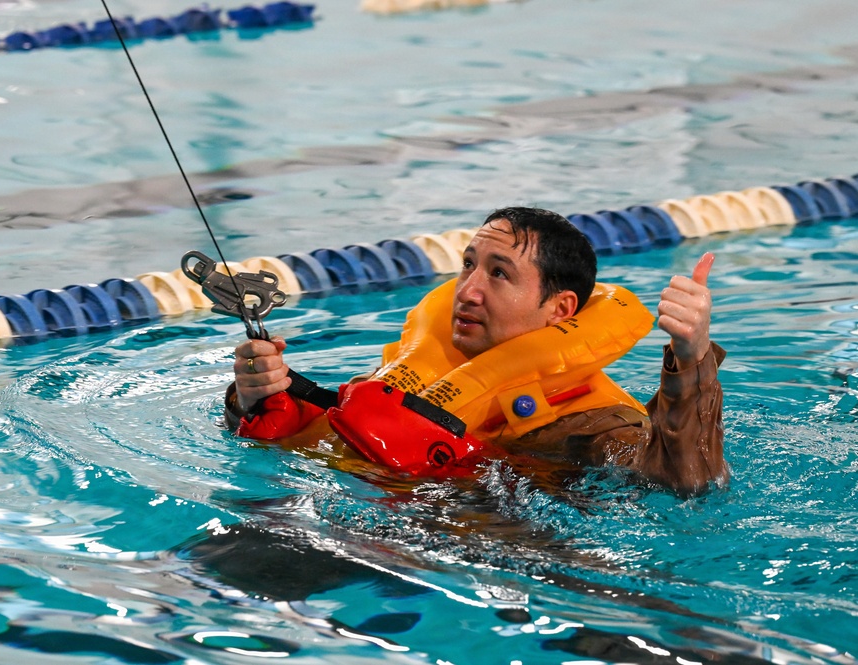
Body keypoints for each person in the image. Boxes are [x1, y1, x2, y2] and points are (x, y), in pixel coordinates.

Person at [224, 207, 728, 496]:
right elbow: (324, 434)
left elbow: (686, 482)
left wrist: (692, 356)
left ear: (559, 309)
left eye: (499, 273)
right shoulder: (421, 368)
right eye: (468, 264)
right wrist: (260, 394)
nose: (467, 289)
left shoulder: (589, 420)